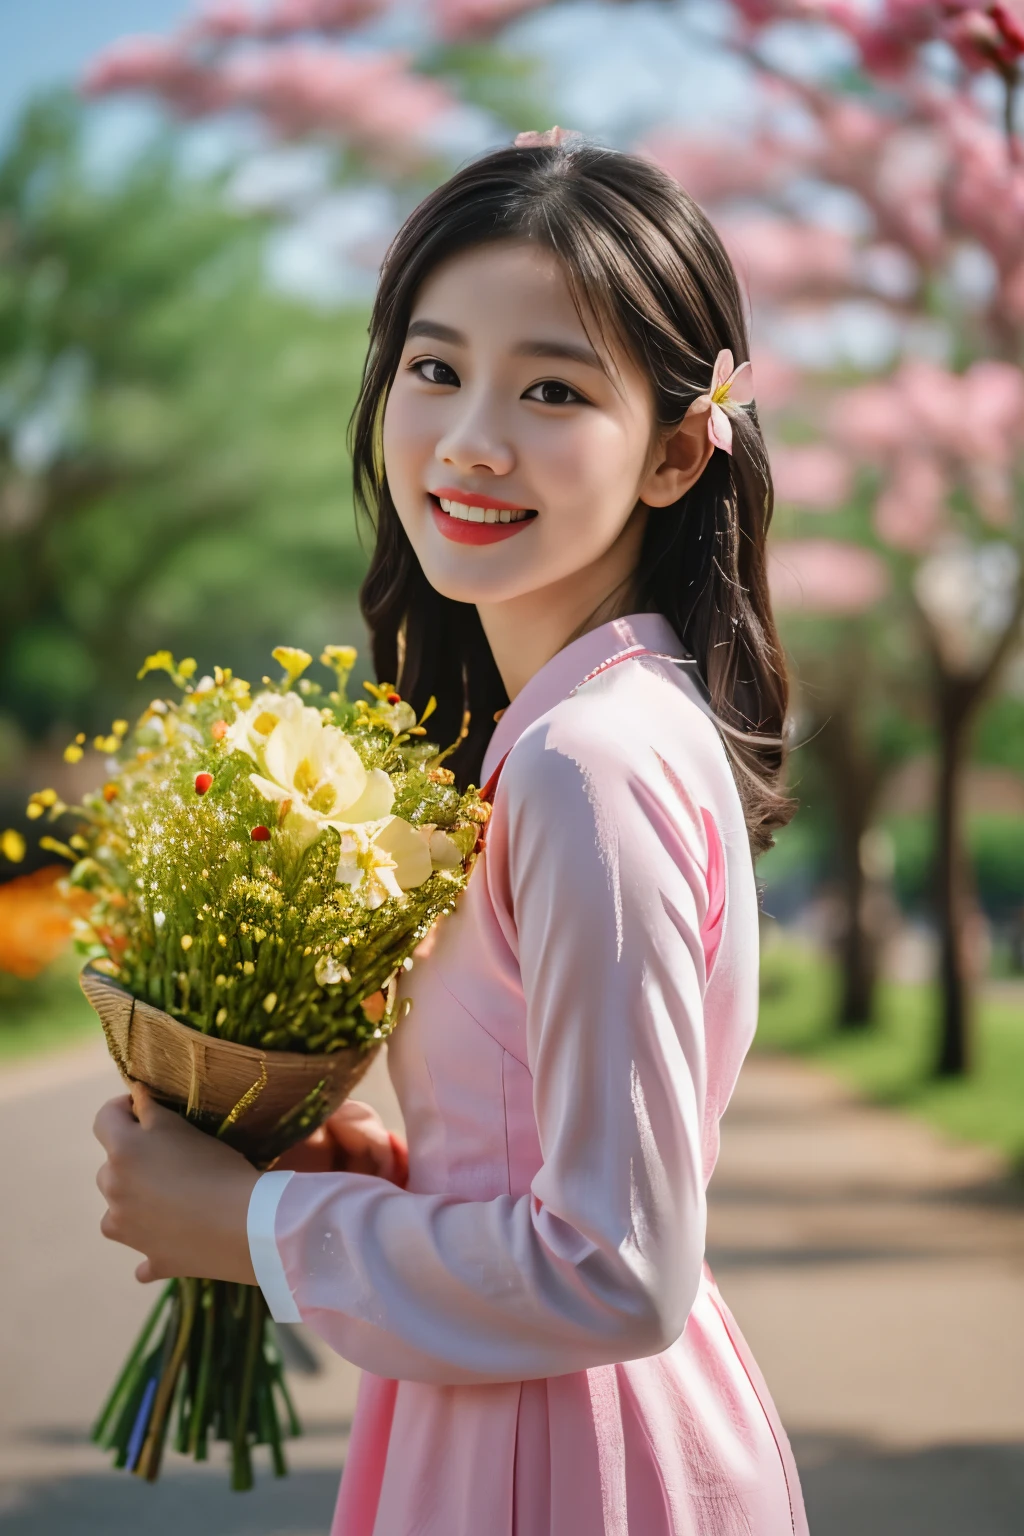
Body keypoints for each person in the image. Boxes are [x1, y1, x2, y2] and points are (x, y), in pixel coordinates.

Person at [93, 129, 809, 1536]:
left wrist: (249, 1232)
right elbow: (552, 1173)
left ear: (676, 452)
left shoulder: (589, 762)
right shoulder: (567, 728)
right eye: (436, 369)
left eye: (552, 387)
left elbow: (619, 1268)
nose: (473, 435)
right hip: (506, 1412)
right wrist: (405, 1176)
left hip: (564, 1457)